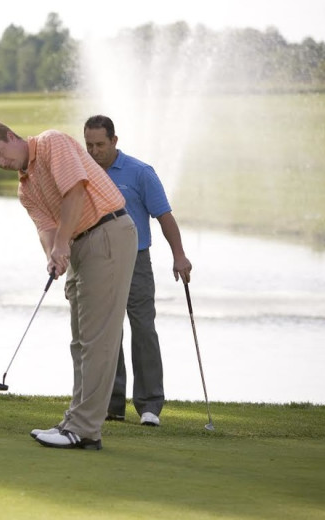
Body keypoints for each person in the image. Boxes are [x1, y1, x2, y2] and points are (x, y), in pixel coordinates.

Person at [0, 121, 137, 450]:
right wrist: (53, 254)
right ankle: (76, 422)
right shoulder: (26, 188)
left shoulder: (51, 143)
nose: (2, 164)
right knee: (80, 342)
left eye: (1, 154)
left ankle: (85, 428)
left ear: (10, 136)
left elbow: (75, 190)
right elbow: (46, 228)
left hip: (107, 233)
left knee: (98, 340)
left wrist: (62, 244)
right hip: (80, 246)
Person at [83, 115, 192, 427]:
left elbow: (164, 216)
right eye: (88, 145)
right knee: (107, 333)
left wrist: (179, 255)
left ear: (115, 141)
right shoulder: (83, 172)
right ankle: (112, 403)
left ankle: (149, 405)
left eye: (100, 145)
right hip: (96, 262)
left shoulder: (140, 172)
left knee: (143, 329)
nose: (94, 151)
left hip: (136, 261)